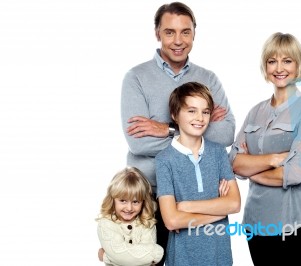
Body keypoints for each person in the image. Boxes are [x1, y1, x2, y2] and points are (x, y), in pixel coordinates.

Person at [120, 2, 235, 265]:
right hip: (149, 197)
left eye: (186, 32)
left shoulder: (209, 78)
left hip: (202, 197)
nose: (178, 40)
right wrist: (194, 134)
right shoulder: (136, 78)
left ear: (195, 33)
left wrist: (165, 129)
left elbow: (227, 132)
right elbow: (138, 142)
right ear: (157, 33)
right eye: (169, 32)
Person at [229, 32, 301, 266]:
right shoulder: (255, 112)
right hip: (255, 222)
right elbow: (233, 161)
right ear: (265, 67)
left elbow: (295, 173)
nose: (279, 68)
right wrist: (274, 159)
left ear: (298, 65)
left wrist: (250, 167)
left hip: (294, 224)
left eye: (287, 60)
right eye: (272, 61)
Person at [155, 82, 241, 266]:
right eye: (191, 111)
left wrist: (185, 206)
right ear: (175, 115)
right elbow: (171, 221)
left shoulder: (219, 153)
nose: (200, 118)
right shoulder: (164, 160)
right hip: (183, 258)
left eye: (206, 111)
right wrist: (218, 212)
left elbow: (234, 204)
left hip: (220, 256)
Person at [96, 167, 164, 266]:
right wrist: (156, 252)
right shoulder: (106, 223)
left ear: (143, 202)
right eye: (123, 201)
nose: (129, 208)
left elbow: (148, 262)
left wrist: (106, 257)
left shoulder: (147, 223)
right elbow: (119, 255)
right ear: (113, 199)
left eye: (135, 202)